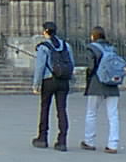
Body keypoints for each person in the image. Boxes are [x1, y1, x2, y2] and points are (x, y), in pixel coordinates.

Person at [31, 21, 75, 152]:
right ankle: (62, 141)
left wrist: (36, 84)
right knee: (62, 110)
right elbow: (71, 63)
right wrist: (70, 80)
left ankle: (42, 138)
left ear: (45, 31)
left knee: (45, 108)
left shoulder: (43, 47)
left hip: (49, 80)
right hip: (63, 81)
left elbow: (40, 67)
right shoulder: (66, 46)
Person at [81, 26, 120, 154]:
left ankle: (89, 141)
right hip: (112, 83)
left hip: (97, 83)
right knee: (113, 115)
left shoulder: (91, 48)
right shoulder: (112, 48)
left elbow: (91, 66)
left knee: (91, 113)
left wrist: (89, 77)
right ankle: (113, 144)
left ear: (93, 36)